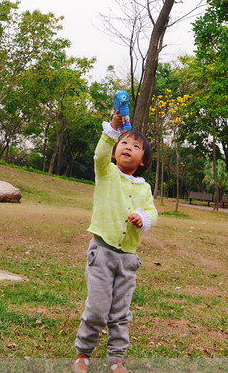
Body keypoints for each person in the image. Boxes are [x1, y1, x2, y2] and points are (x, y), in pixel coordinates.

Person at [72, 111, 158, 373]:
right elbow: (99, 154)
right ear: (114, 150)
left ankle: (116, 358)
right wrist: (112, 129)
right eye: (123, 143)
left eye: (136, 147)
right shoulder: (106, 173)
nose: (128, 148)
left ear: (143, 161)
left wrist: (143, 217)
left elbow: (152, 212)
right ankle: (83, 353)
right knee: (97, 309)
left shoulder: (144, 187)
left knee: (120, 313)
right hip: (102, 253)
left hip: (128, 260)